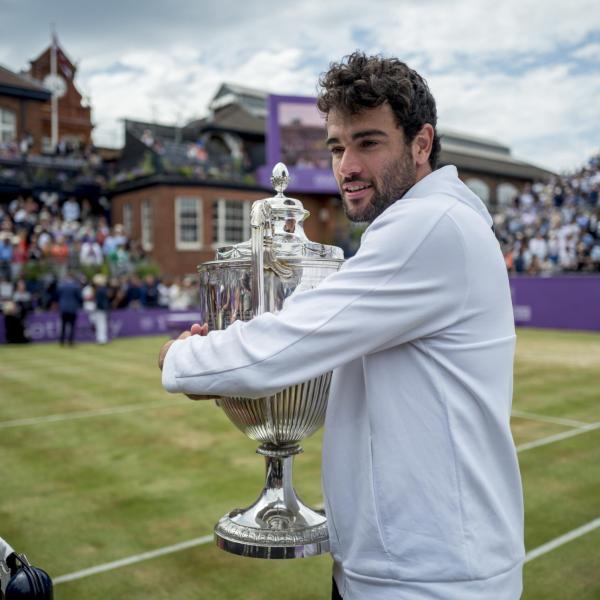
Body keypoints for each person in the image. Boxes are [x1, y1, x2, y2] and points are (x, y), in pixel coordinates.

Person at [159, 52, 524, 599]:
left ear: (421, 144)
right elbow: (316, 333)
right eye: (337, 146)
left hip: (432, 580)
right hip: (394, 568)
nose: (347, 165)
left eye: (368, 142)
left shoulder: (430, 226)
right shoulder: (419, 225)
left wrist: (183, 362)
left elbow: (291, 340)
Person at [57, 272, 82, 346]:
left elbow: (58, 296)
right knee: (72, 326)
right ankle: (70, 341)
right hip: (72, 308)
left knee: (63, 325)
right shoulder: (75, 286)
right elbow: (79, 298)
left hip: (63, 308)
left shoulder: (61, 286)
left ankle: (61, 341)